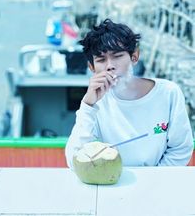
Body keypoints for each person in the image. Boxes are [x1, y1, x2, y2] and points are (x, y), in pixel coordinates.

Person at [65, 19, 194, 168]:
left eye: (118, 56)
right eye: (101, 60)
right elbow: (74, 161)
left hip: (158, 185)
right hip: (112, 184)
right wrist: (87, 105)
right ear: (92, 67)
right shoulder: (95, 103)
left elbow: (180, 149)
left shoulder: (168, 93)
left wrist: (153, 180)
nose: (110, 66)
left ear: (134, 56)